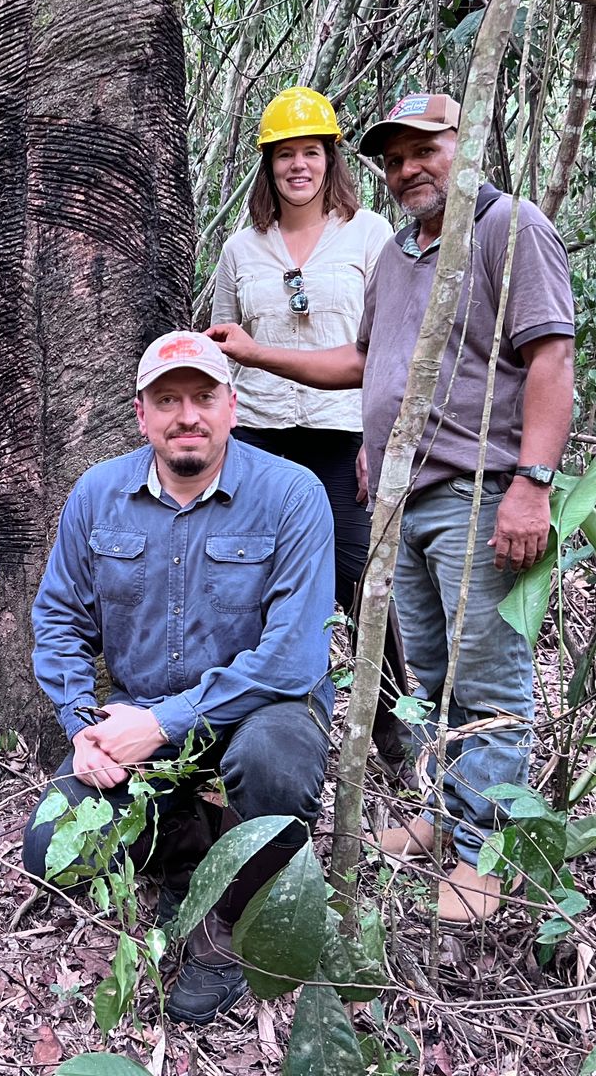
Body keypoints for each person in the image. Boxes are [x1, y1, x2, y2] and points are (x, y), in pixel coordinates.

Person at [208, 92, 575, 922]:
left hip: (480, 485)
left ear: (467, 144)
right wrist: (264, 356)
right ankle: (449, 818)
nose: (410, 168)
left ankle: (489, 854)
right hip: (403, 492)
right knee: (437, 675)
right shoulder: (406, 252)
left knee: (488, 678)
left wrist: (532, 483)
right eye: (396, 156)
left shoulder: (506, 229)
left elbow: (550, 357)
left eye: (426, 150)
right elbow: (368, 362)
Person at [22, 330, 336, 1024]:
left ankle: (231, 924)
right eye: (167, 400)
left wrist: (163, 722)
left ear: (231, 406)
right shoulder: (98, 494)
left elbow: (292, 659)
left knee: (272, 760)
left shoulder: (292, 495)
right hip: (143, 720)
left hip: (265, 708)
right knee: (49, 848)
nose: (185, 415)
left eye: (202, 397)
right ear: (142, 414)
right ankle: (188, 850)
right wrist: (83, 725)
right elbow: (57, 620)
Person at [210, 85, 412, 774]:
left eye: (312, 152)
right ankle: (253, 725)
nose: (300, 166)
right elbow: (223, 353)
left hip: (342, 437)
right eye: (285, 155)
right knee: (253, 584)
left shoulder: (372, 234)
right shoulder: (242, 249)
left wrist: (376, 442)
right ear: (267, 165)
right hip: (261, 437)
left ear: (331, 158)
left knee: (360, 581)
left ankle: (391, 725)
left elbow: (389, 348)